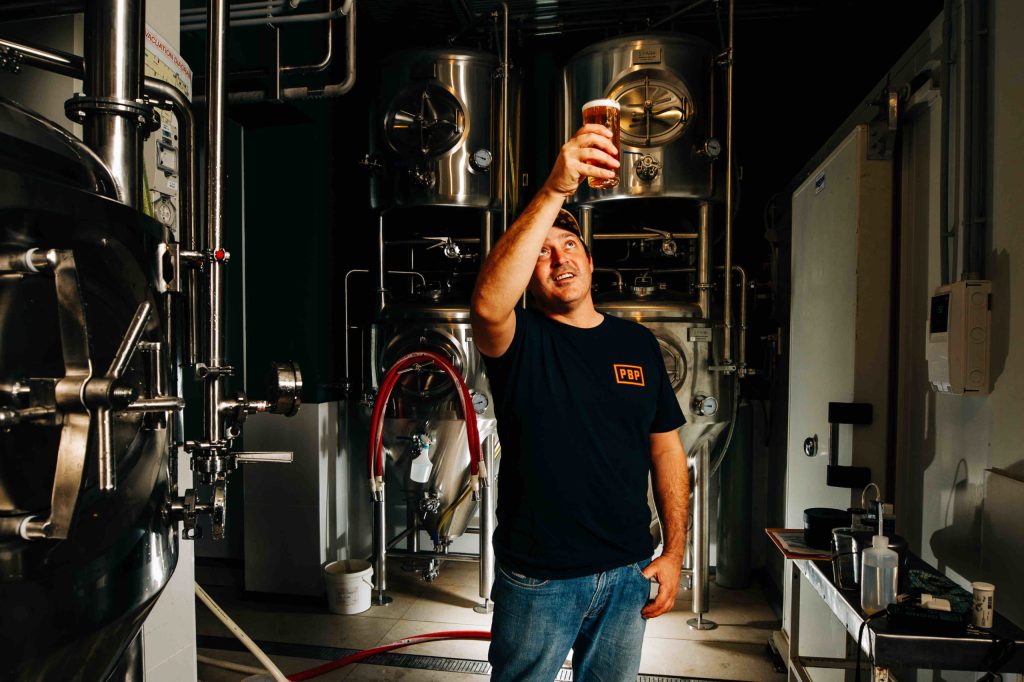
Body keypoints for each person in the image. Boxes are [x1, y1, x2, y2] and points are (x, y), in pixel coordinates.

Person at [470, 123, 689, 682]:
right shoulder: (519, 339)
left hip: (627, 571)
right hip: (539, 578)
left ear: (591, 263)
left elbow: (666, 451)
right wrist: (555, 192)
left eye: (570, 244)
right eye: (542, 252)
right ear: (528, 274)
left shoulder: (637, 343)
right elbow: (489, 304)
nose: (558, 257)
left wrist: (674, 550)